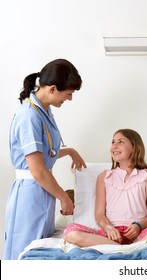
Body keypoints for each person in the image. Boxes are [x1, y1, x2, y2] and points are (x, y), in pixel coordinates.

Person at [4, 59, 87, 260]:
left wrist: (70, 151)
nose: (70, 99)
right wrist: (64, 197)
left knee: (41, 255)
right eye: (69, 94)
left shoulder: (44, 110)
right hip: (30, 194)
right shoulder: (29, 116)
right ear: (52, 89)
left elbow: (45, 152)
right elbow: (38, 170)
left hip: (42, 191)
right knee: (24, 255)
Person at [64, 129, 147, 247]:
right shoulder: (103, 177)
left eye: (121, 142)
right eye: (113, 142)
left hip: (140, 233)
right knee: (70, 233)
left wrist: (138, 226)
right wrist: (109, 228)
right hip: (110, 235)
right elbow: (100, 214)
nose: (114, 145)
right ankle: (121, 247)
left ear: (135, 148)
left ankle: (134, 245)